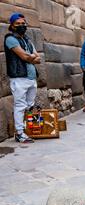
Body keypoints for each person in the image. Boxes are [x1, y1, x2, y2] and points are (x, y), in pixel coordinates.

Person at [4, 13, 41, 143]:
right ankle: (19, 133)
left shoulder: (27, 39)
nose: (21, 26)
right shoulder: (10, 39)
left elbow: (38, 58)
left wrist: (30, 56)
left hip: (31, 77)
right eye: (18, 24)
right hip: (19, 78)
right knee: (20, 105)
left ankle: (29, 130)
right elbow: (25, 57)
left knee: (30, 105)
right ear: (12, 25)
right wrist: (30, 56)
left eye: (23, 23)